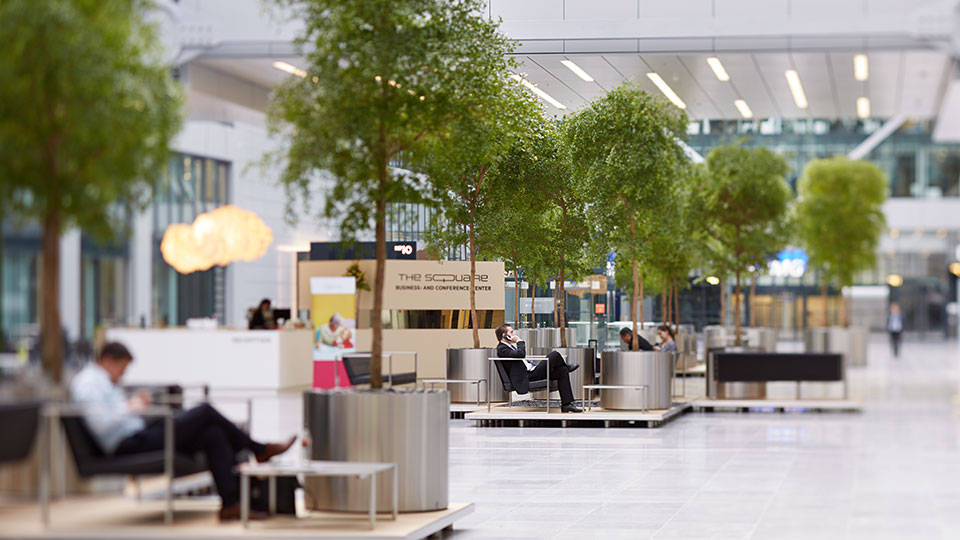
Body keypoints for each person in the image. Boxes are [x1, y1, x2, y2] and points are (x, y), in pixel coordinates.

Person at [70, 342, 295, 521]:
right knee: (205, 411)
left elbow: (112, 414)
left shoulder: (102, 382)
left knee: (213, 434)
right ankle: (259, 449)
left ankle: (230, 505)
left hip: (140, 435)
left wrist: (134, 407)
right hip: (129, 444)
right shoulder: (88, 383)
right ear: (108, 362)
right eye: (122, 369)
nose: (123, 375)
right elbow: (101, 423)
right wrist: (130, 407)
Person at [495, 324, 582, 413]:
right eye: (511, 332)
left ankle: (566, 405)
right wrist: (519, 341)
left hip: (532, 370)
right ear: (504, 335)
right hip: (528, 376)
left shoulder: (509, 347)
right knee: (554, 355)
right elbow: (521, 354)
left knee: (562, 371)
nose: (514, 334)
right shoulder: (502, 348)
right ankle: (567, 367)